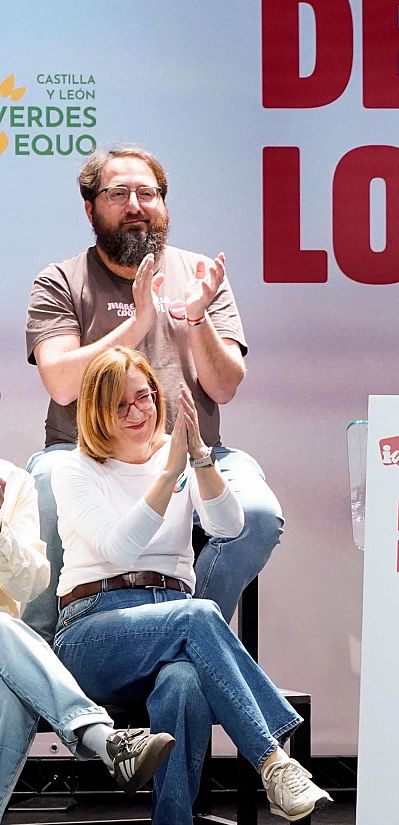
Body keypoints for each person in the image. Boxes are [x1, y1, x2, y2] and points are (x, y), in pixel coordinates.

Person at [49, 347, 331, 825]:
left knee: (182, 681)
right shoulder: (73, 469)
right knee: (198, 616)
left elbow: (227, 527)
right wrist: (169, 473)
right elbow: (120, 547)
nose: (139, 412)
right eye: (121, 404)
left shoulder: (177, 456)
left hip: (170, 621)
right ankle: (274, 762)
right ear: (96, 412)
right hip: (92, 629)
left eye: (146, 397)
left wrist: (198, 458)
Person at [26, 146, 282, 641]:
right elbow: (60, 383)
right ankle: (46, 652)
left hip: (192, 452)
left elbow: (225, 386)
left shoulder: (202, 276)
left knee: (256, 515)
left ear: (164, 204)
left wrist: (196, 316)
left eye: (147, 193)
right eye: (118, 194)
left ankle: (189, 637)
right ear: (90, 209)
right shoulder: (60, 280)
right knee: (46, 484)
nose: (135, 205)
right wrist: (139, 322)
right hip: (88, 455)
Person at [1, 430, 176, 810]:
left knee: (12, 698)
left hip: (7, 657)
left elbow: (32, 585)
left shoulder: (12, 482)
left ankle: (107, 745)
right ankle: (104, 740)